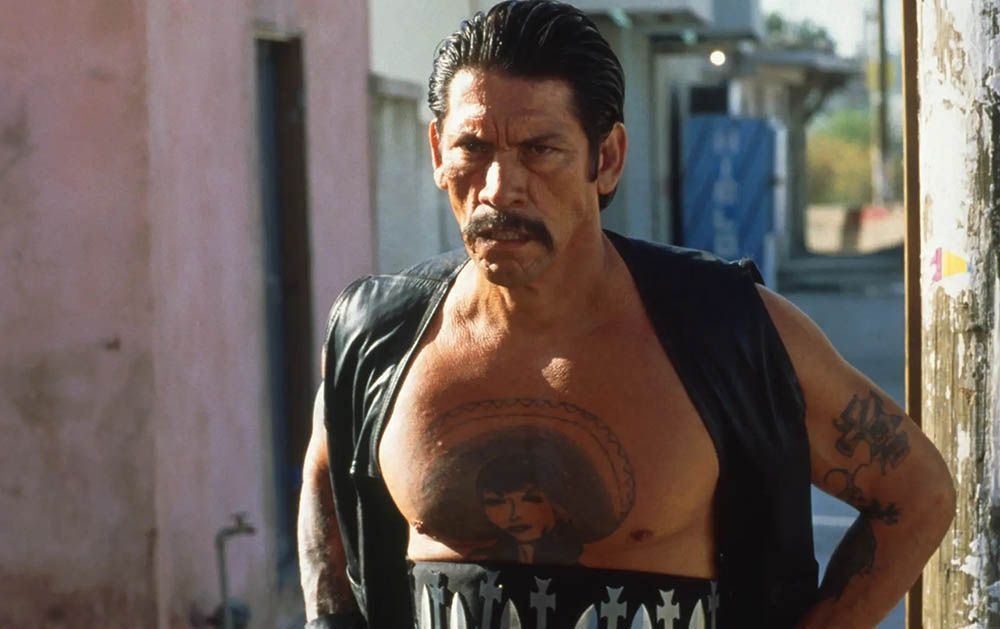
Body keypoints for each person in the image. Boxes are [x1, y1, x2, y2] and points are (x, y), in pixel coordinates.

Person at [297, 1, 955, 627]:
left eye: (539, 150)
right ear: (439, 153)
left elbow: (916, 493)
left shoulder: (730, 333)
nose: (500, 187)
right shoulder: (379, 336)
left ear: (606, 158)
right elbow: (324, 479)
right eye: (473, 148)